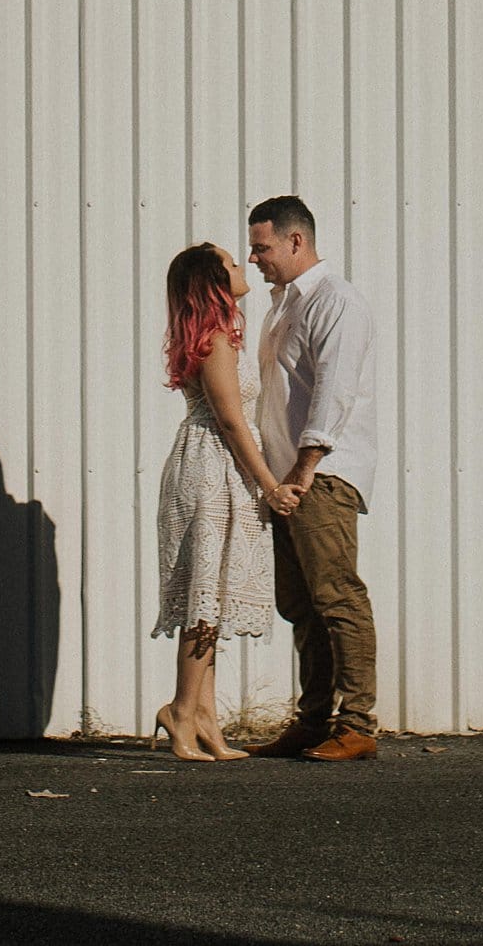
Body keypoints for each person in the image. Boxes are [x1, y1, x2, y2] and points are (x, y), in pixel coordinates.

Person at [243, 194, 383, 761]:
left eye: (262, 247)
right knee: (300, 603)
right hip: (289, 477)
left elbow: (335, 390)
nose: (254, 258)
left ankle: (357, 724)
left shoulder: (336, 302)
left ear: (296, 241)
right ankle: (313, 720)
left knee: (337, 597)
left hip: (319, 474)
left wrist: (304, 467)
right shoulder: (284, 305)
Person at [152, 241, 279, 761]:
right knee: (206, 592)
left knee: (216, 592)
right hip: (212, 469)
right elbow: (229, 419)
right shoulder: (217, 341)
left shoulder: (220, 335)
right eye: (230, 262)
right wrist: (270, 484)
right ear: (213, 281)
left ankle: (203, 714)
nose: (241, 265)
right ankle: (183, 711)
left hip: (215, 465)